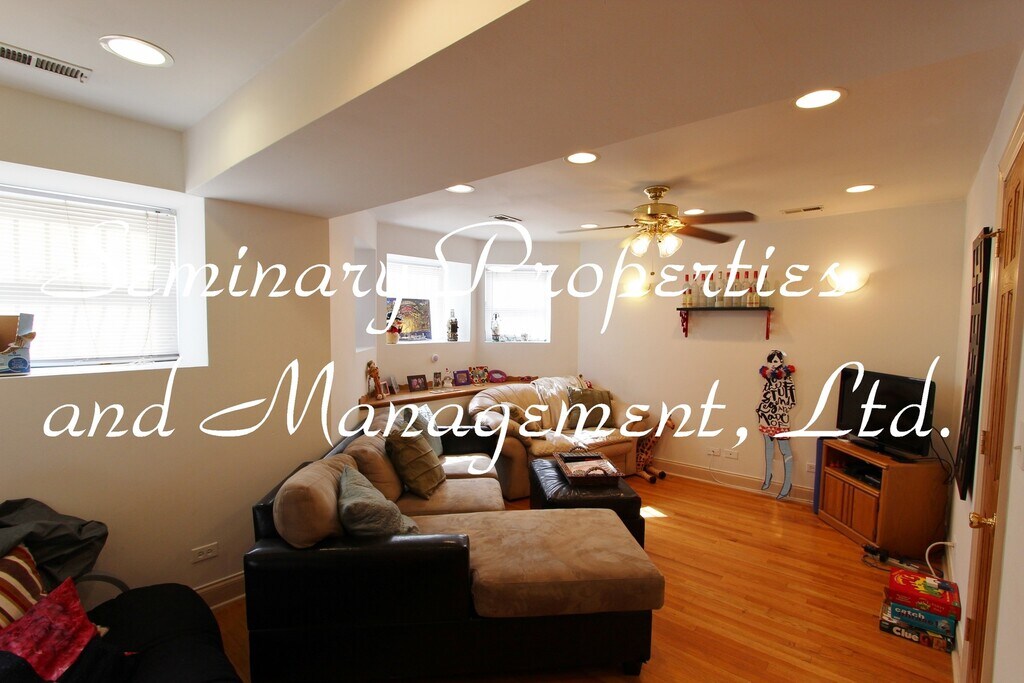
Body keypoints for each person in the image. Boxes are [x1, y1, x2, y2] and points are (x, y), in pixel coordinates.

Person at [756, 349, 796, 499]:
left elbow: (791, 400)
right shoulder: (768, 378)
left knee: (785, 449)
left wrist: (779, 408)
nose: (773, 364)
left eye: (775, 361)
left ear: (780, 362)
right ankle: (768, 477)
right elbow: (764, 396)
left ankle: (787, 483)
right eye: (770, 361)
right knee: (768, 448)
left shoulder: (787, 379)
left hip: (780, 418)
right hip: (766, 417)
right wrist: (762, 409)